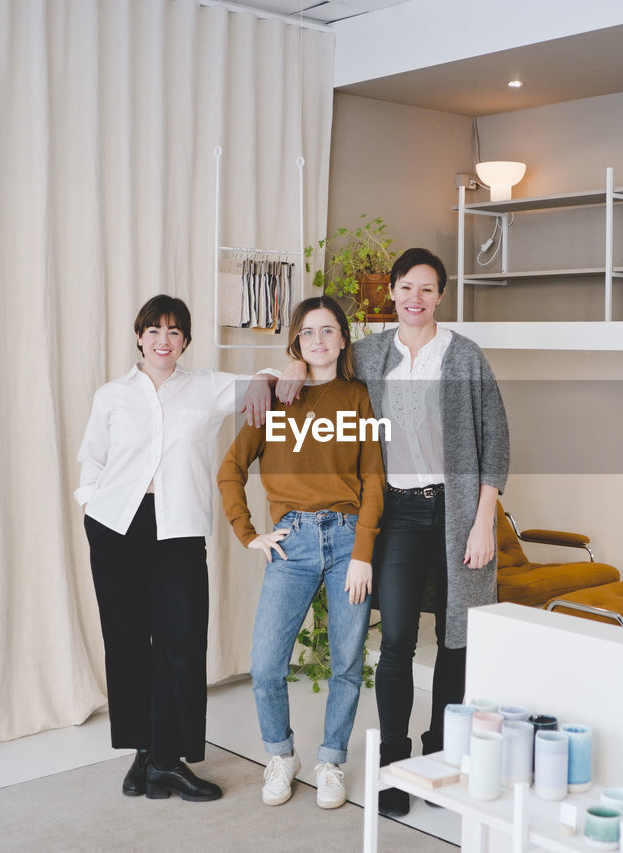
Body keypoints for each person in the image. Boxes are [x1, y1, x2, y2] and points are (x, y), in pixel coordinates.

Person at [278, 247, 510, 817]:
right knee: (400, 638)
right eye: (406, 288)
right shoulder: (371, 353)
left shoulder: (466, 358)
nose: (415, 299)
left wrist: (485, 521)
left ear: (440, 296)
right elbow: (318, 360)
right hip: (399, 514)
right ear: (393, 292)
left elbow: (496, 444)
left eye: (427, 290)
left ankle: (444, 759)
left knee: (458, 640)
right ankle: (397, 768)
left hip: (457, 512)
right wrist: (288, 368)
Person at [75, 294, 277, 802]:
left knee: (181, 641)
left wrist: (283, 370)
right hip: (116, 525)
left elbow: (267, 381)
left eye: (174, 332)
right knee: (125, 641)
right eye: (154, 331)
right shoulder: (112, 396)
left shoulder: (206, 388)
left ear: (186, 340)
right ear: (139, 336)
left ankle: (168, 758)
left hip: (178, 528)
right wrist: (91, 507)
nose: (163, 341)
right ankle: (143, 753)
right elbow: (91, 461)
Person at [217, 295, 385, 810]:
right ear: (296, 340)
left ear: (342, 339)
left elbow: (374, 479)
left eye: (328, 330)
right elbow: (230, 471)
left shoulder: (358, 397)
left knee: (347, 661)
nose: (318, 340)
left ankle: (331, 759)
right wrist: (250, 534)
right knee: (266, 664)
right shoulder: (272, 397)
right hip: (292, 544)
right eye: (308, 332)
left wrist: (363, 553)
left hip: (347, 538)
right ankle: (281, 755)